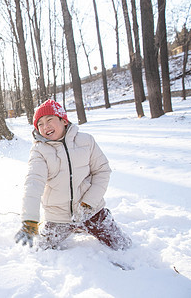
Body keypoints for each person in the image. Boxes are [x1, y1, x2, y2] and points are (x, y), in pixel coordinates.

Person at [15, 100, 131, 251]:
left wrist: (89, 202)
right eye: (40, 124)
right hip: (58, 217)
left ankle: (88, 224)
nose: (45, 127)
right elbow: (33, 182)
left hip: (91, 210)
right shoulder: (39, 151)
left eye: (50, 120)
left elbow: (102, 171)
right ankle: (67, 227)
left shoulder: (86, 141)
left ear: (63, 120)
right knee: (41, 251)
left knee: (122, 246)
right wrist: (29, 218)